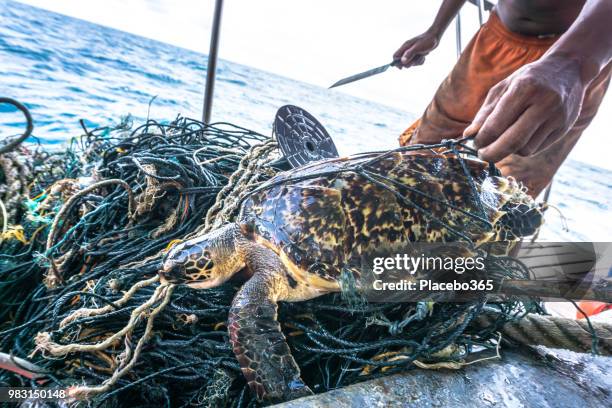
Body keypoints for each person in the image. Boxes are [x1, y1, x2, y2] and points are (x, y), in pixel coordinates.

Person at [394, 0, 612, 197]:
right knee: (416, 159)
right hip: (495, 39)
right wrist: (435, 30)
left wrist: (575, 62)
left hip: (580, 54)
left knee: (512, 191)